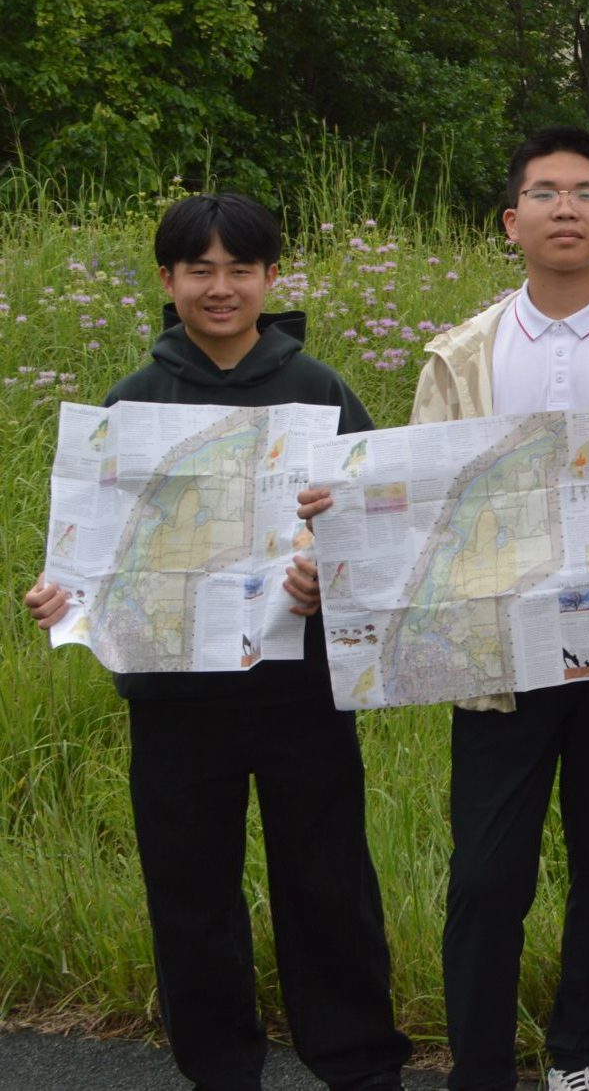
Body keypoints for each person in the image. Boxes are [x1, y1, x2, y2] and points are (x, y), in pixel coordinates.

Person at [303, 126, 589, 1091]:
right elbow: (416, 497)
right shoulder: (463, 354)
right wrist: (342, 509)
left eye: (585, 193)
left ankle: (579, 1057)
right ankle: (481, 1068)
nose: (565, 208)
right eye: (544, 193)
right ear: (512, 221)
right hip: (497, 660)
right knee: (490, 877)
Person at [23, 192, 411, 1091]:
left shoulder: (320, 393)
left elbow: (377, 530)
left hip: (301, 693)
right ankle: (221, 1069)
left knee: (329, 889)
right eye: (200, 269)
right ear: (168, 281)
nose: (222, 287)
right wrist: (63, 598)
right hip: (173, 699)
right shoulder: (131, 404)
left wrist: (330, 575)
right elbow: (90, 554)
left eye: (241, 268)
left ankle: (359, 1065)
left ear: (274, 278)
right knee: (192, 898)